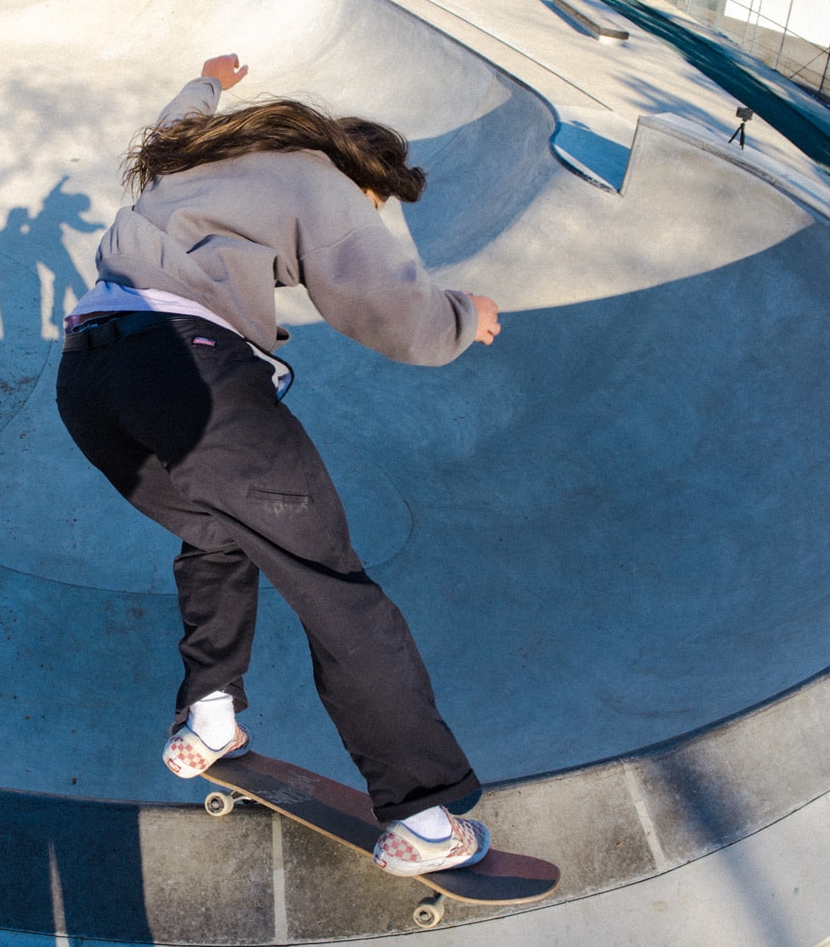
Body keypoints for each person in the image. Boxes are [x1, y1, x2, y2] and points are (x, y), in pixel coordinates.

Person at [56, 54, 503, 876]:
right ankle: (424, 819)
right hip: (187, 373)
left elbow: (169, 126)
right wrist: (459, 318)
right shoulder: (318, 179)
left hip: (88, 377)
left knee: (220, 535)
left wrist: (208, 81)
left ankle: (210, 714)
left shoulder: (208, 155)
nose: (368, 217)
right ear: (358, 173)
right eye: (375, 205)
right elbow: (391, 310)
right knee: (335, 591)